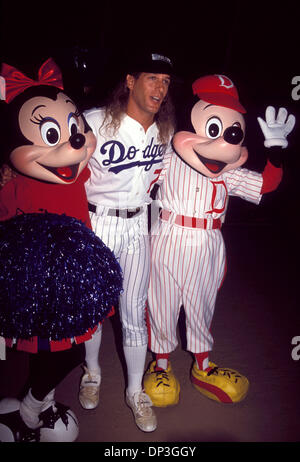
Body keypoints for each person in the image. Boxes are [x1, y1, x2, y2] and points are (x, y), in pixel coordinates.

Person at [79, 51, 176, 432]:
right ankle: (92, 372)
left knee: (134, 312)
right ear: (131, 81)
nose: (161, 88)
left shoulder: (163, 131)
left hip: (139, 227)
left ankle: (136, 391)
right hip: (98, 222)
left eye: (166, 81)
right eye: (152, 78)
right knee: (92, 308)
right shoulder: (93, 121)